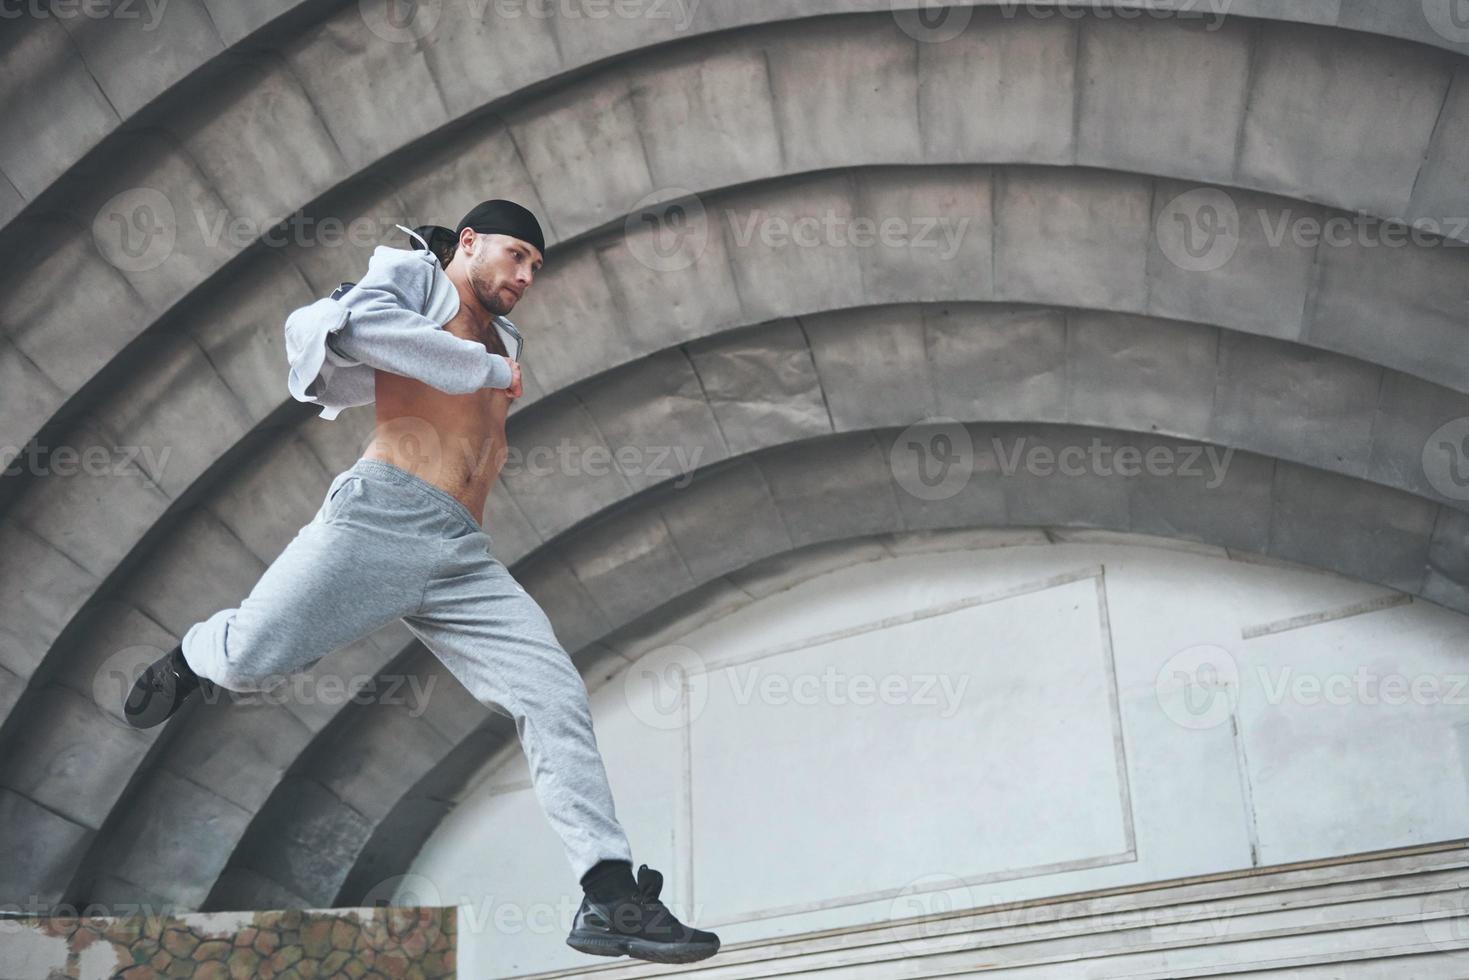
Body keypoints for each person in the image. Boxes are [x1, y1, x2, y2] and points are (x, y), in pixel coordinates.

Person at [121, 200, 720, 965]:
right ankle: (191, 654)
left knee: (553, 695)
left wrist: (492, 359)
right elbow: (358, 330)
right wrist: (482, 365)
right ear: (467, 244)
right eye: (513, 255)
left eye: (535, 265)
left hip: (461, 553)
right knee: (246, 662)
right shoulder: (413, 280)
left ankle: (609, 896)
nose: (526, 274)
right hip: (382, 515)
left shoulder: (504, 331)